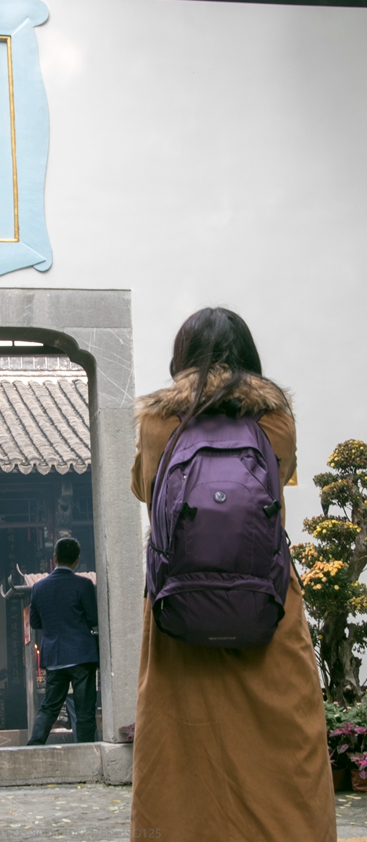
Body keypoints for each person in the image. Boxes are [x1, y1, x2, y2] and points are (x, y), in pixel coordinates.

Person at [129, 307, 336, 842]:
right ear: (250, 358)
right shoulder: (277, 422)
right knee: (284, 753)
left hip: (179, 612)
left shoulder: (156, 423)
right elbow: (281, 476)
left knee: (181, 759)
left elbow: (142, 488)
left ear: (181, 358)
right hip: (268, 606)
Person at [27, 537, 99, 746]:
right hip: (81, 656)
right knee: (85, 709)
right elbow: (94, 619)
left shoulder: (39, 588)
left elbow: (35, 622)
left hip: (54, 656)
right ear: (77, 561)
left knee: (49, 706)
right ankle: (86, 751)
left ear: (55, 558)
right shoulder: (84, 585)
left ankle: (35, 745)